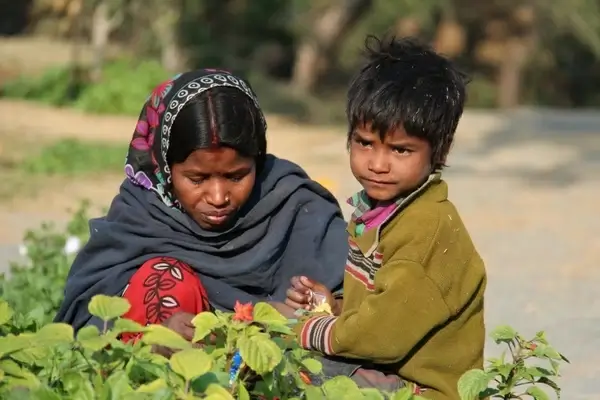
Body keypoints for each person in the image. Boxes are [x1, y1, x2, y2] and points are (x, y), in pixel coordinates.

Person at [54, 69, 348, 341]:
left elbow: (360, 304)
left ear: (257, 158)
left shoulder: (294, 204)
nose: (218, 197)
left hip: (273, 365)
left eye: (237, 176)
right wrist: (162, 334)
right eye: (197, 178)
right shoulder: (142, 215)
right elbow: (90, 318)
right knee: (163, 279)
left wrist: (327, 307)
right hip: (169, 377)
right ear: (165, 169)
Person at [285, 36, 487, 399]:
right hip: (388, 367)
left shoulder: (427, 228)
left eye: (400, 149)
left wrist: (311, 330)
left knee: (292, 363)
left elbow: (382, 335)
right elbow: (380, 305)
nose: (378, 164)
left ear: (440, 149)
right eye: (365, 143)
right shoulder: (380, 212)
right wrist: (335, 307)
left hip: (424, 390)